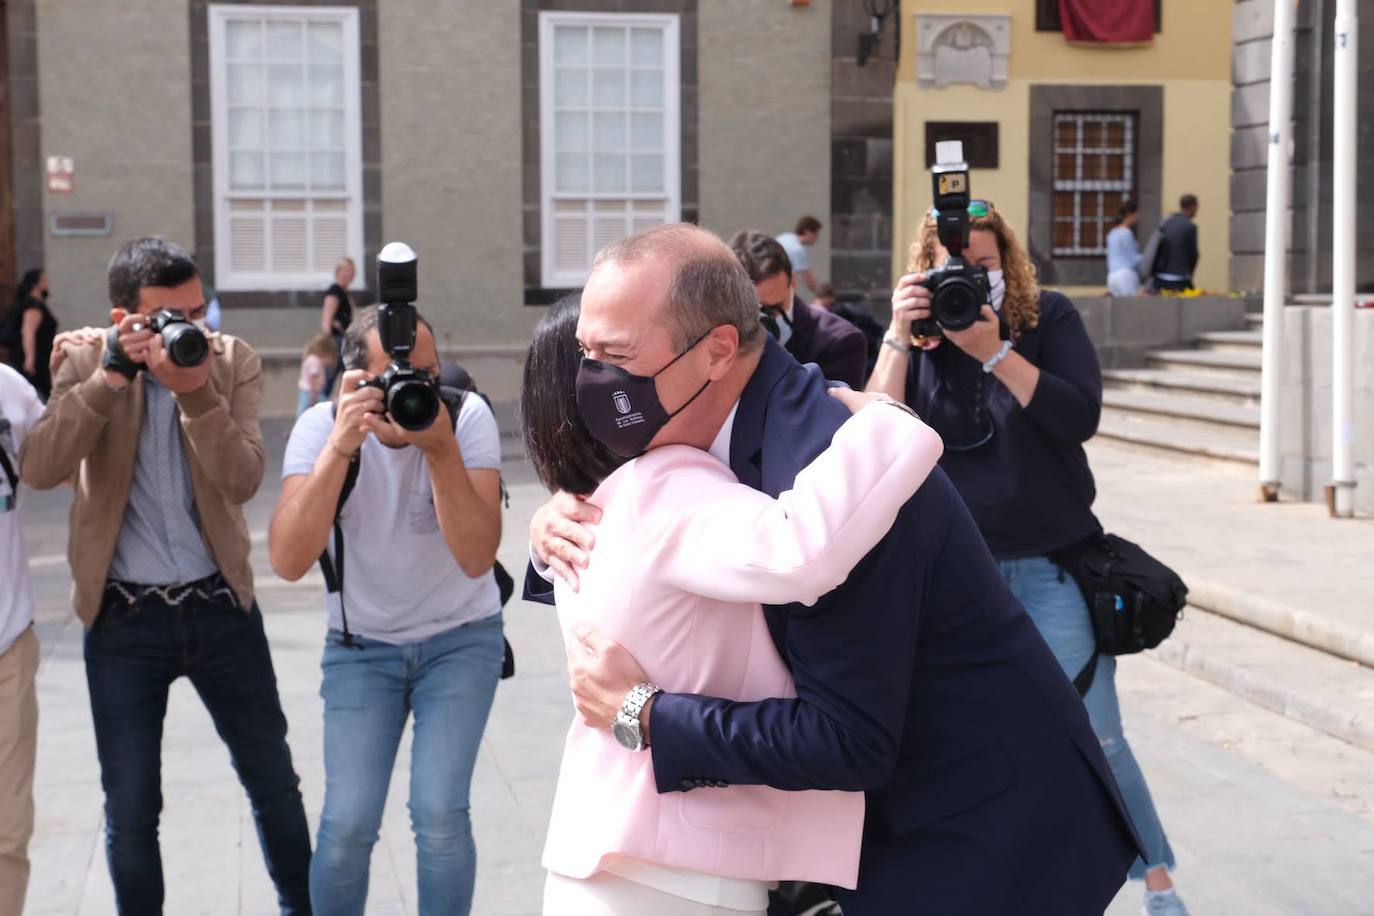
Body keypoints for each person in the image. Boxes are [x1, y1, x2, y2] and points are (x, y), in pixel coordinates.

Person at [527, 223, 1141, 916]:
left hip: (981, 832)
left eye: (616, 354)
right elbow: (650, 541)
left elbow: (849, 738)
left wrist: (646, 715)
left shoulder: (825, 463)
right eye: (586, 353)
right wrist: (558, 516)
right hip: (896, 828)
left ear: (716, 352)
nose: (593, 380)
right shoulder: (698, 422)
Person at [522, 294, 943, 915]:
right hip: (674, 872)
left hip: (620, 859)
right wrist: (887, 423)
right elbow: (797, 547)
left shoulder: (589, 508)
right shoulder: (662, 485)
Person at [869, 203, 1191, 916]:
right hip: (957, 581)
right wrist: (898, 332)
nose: (971, 279)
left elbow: (1079, 417)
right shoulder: (917, 338)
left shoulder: (1046, 317)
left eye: (983, 264)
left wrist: (994, 351)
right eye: (954, 267)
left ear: (1006, 259)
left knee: (1097, 737)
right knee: (971, 746)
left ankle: (1158, 881)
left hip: (1049, 569)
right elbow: (874, 435)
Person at [18, 237, 312, 915]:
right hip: (123, 621)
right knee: (130, 809)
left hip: (220, 609)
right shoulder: (91, 358)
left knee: (274, 785)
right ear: (124, 317)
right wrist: (109, 377)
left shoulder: (226, 358)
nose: (189, 329)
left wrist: (196, 395)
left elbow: (242, 481)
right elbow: (38, 467)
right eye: (167, 316)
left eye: (196, 310)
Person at [269, 305, 505, 916]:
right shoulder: (320, 429)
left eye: (425, 375)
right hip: (360, 648)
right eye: (397, 377)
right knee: (347, 825)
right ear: (355, 383)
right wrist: (341, 448)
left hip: (461, 638)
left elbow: (478, 557)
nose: (415, 391)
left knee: (439, 812)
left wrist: (439, 449)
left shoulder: (464, 416)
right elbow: (288, 560)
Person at [0, 364, 42, 916]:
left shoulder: (8, 386)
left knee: (7, 836)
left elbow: (57, 459)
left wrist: (88, 376)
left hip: (7, 648)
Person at [730, 231, 867, 391]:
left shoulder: (839, 341)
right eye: (752, 310)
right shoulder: (716, 338)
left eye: (774, 308)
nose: (764, 319)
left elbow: (826, 411)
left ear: (793, 281)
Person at [2, 269, 58, 400]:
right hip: (37, 358)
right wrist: (30, 359)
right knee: (41, 392)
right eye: (44, 280)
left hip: (40, 355)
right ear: (36, 284)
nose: (47, 282)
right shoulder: (33, 305)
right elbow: (28, 332)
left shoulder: (34, 302)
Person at [320, 256, 357, 398]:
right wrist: (328, 344)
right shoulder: (334, 291)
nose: (348, 274)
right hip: (336, 341)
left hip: (344, 340)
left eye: (351, 271)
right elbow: (327, 319)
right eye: (345, 270)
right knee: (330, 377)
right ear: (338, 272)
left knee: (346, 375)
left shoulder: (345, 292)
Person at [1148, 194, 1199, 292]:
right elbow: (1193, 254)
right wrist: (1189, 273)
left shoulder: (1166, 222)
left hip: (1160, 276)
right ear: (1193, 206)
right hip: (1180, 278)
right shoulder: (1190, 226)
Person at [774, 216, 822, 297]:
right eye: (815, 234)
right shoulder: (798, 250)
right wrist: (822, 294)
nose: (817, 238)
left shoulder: (785, 236)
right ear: (807, 231)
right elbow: (808, 281)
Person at [1107, 200, 1143, 297]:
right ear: (1130, 214)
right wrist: (1148, 257)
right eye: (1136, 214)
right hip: (1125, 276)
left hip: (1112, 276)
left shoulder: (1112, 233)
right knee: (1131, 308)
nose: (1138, 218)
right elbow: (1132, 258)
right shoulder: (1126, 233)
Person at [297, 332, 337, 416]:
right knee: (321, 408)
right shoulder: (314, 361)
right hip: (311, 392)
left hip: (311, 391)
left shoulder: (313, 359)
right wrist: (313, 395)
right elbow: (313, 379)